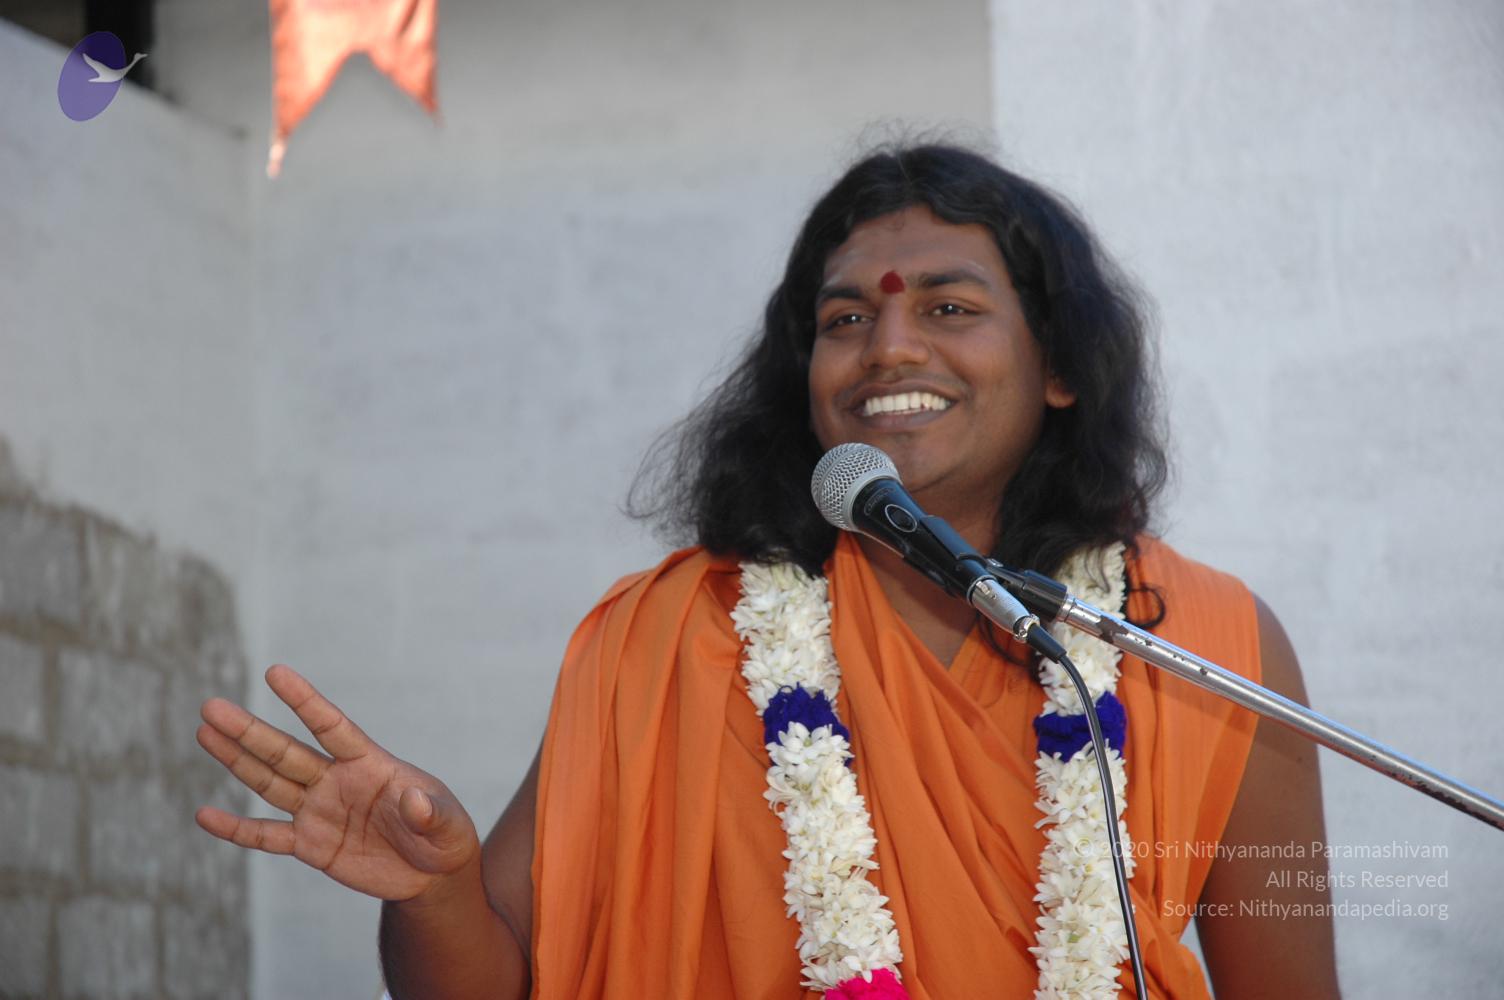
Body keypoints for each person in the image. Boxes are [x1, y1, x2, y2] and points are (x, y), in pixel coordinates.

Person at [195, 143, 1341, 998]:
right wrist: (433, 891)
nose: (890, 346)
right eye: (843, 321)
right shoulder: (674, 634)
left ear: (1059, 368)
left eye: (950, 306)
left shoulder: (1204, 644)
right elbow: (485, 984)